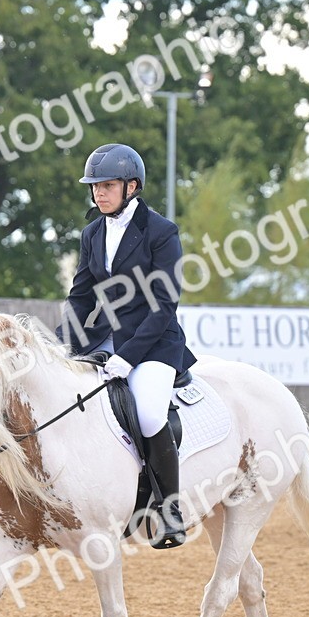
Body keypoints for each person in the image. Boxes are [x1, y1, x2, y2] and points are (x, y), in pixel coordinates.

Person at [57, 143, 198, 549]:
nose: (99, 193)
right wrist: (60, 345)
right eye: (95, 186)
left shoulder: (161, 232)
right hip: (107, 336)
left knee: (150, 414)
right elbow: (81, 296)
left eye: (107, 186)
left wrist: (129, 357)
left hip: (155, 343)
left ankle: (168, 511)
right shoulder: (92, 233)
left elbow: (164, 304)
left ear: (131, 187)